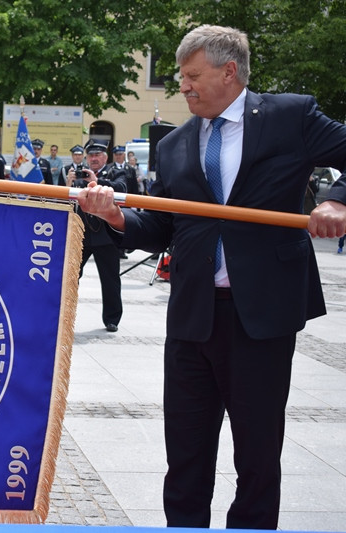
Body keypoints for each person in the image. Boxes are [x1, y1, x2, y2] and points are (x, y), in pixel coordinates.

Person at [76, 25, 346, 529]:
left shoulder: (291, 116)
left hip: (261, 317)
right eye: (181, 76)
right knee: (185, 456)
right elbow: (162, 227)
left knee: (258, 458)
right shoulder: (175, 144)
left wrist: (337, 201)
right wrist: (114, 216)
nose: (184, 86)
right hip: (192, 318)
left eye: (193, 75)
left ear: (229, 72)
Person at [72, 139, 127, 332]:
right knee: (71, 276)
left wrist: (97, 180)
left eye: (98, 155)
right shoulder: (80, 175)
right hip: (82, 234)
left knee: (110, 279)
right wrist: (70, 182)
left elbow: (122, 188)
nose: (94, 158)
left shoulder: (115, 172)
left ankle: (112, 319)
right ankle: (64, 314)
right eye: (91, 155)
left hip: (106, 235)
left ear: (105, 157)